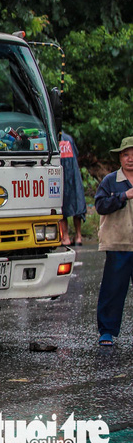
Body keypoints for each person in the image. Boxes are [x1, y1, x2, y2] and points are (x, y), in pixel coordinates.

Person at [94, 135, 133, 346]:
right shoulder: (111, 181)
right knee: (113, 289)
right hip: (118, 242)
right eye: (126, 155)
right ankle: (106, 331)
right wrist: (123, 196)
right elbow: (100, 206)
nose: (130, 159)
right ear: (120, 158)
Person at [59, 132, 87, 245]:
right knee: (76, 203)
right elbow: (76, 153)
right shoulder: (68, 138)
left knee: (61, 203)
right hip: (73, 173)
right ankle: (78, 236)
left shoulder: (51, 137)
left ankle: (65, 237)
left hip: (60, 174)